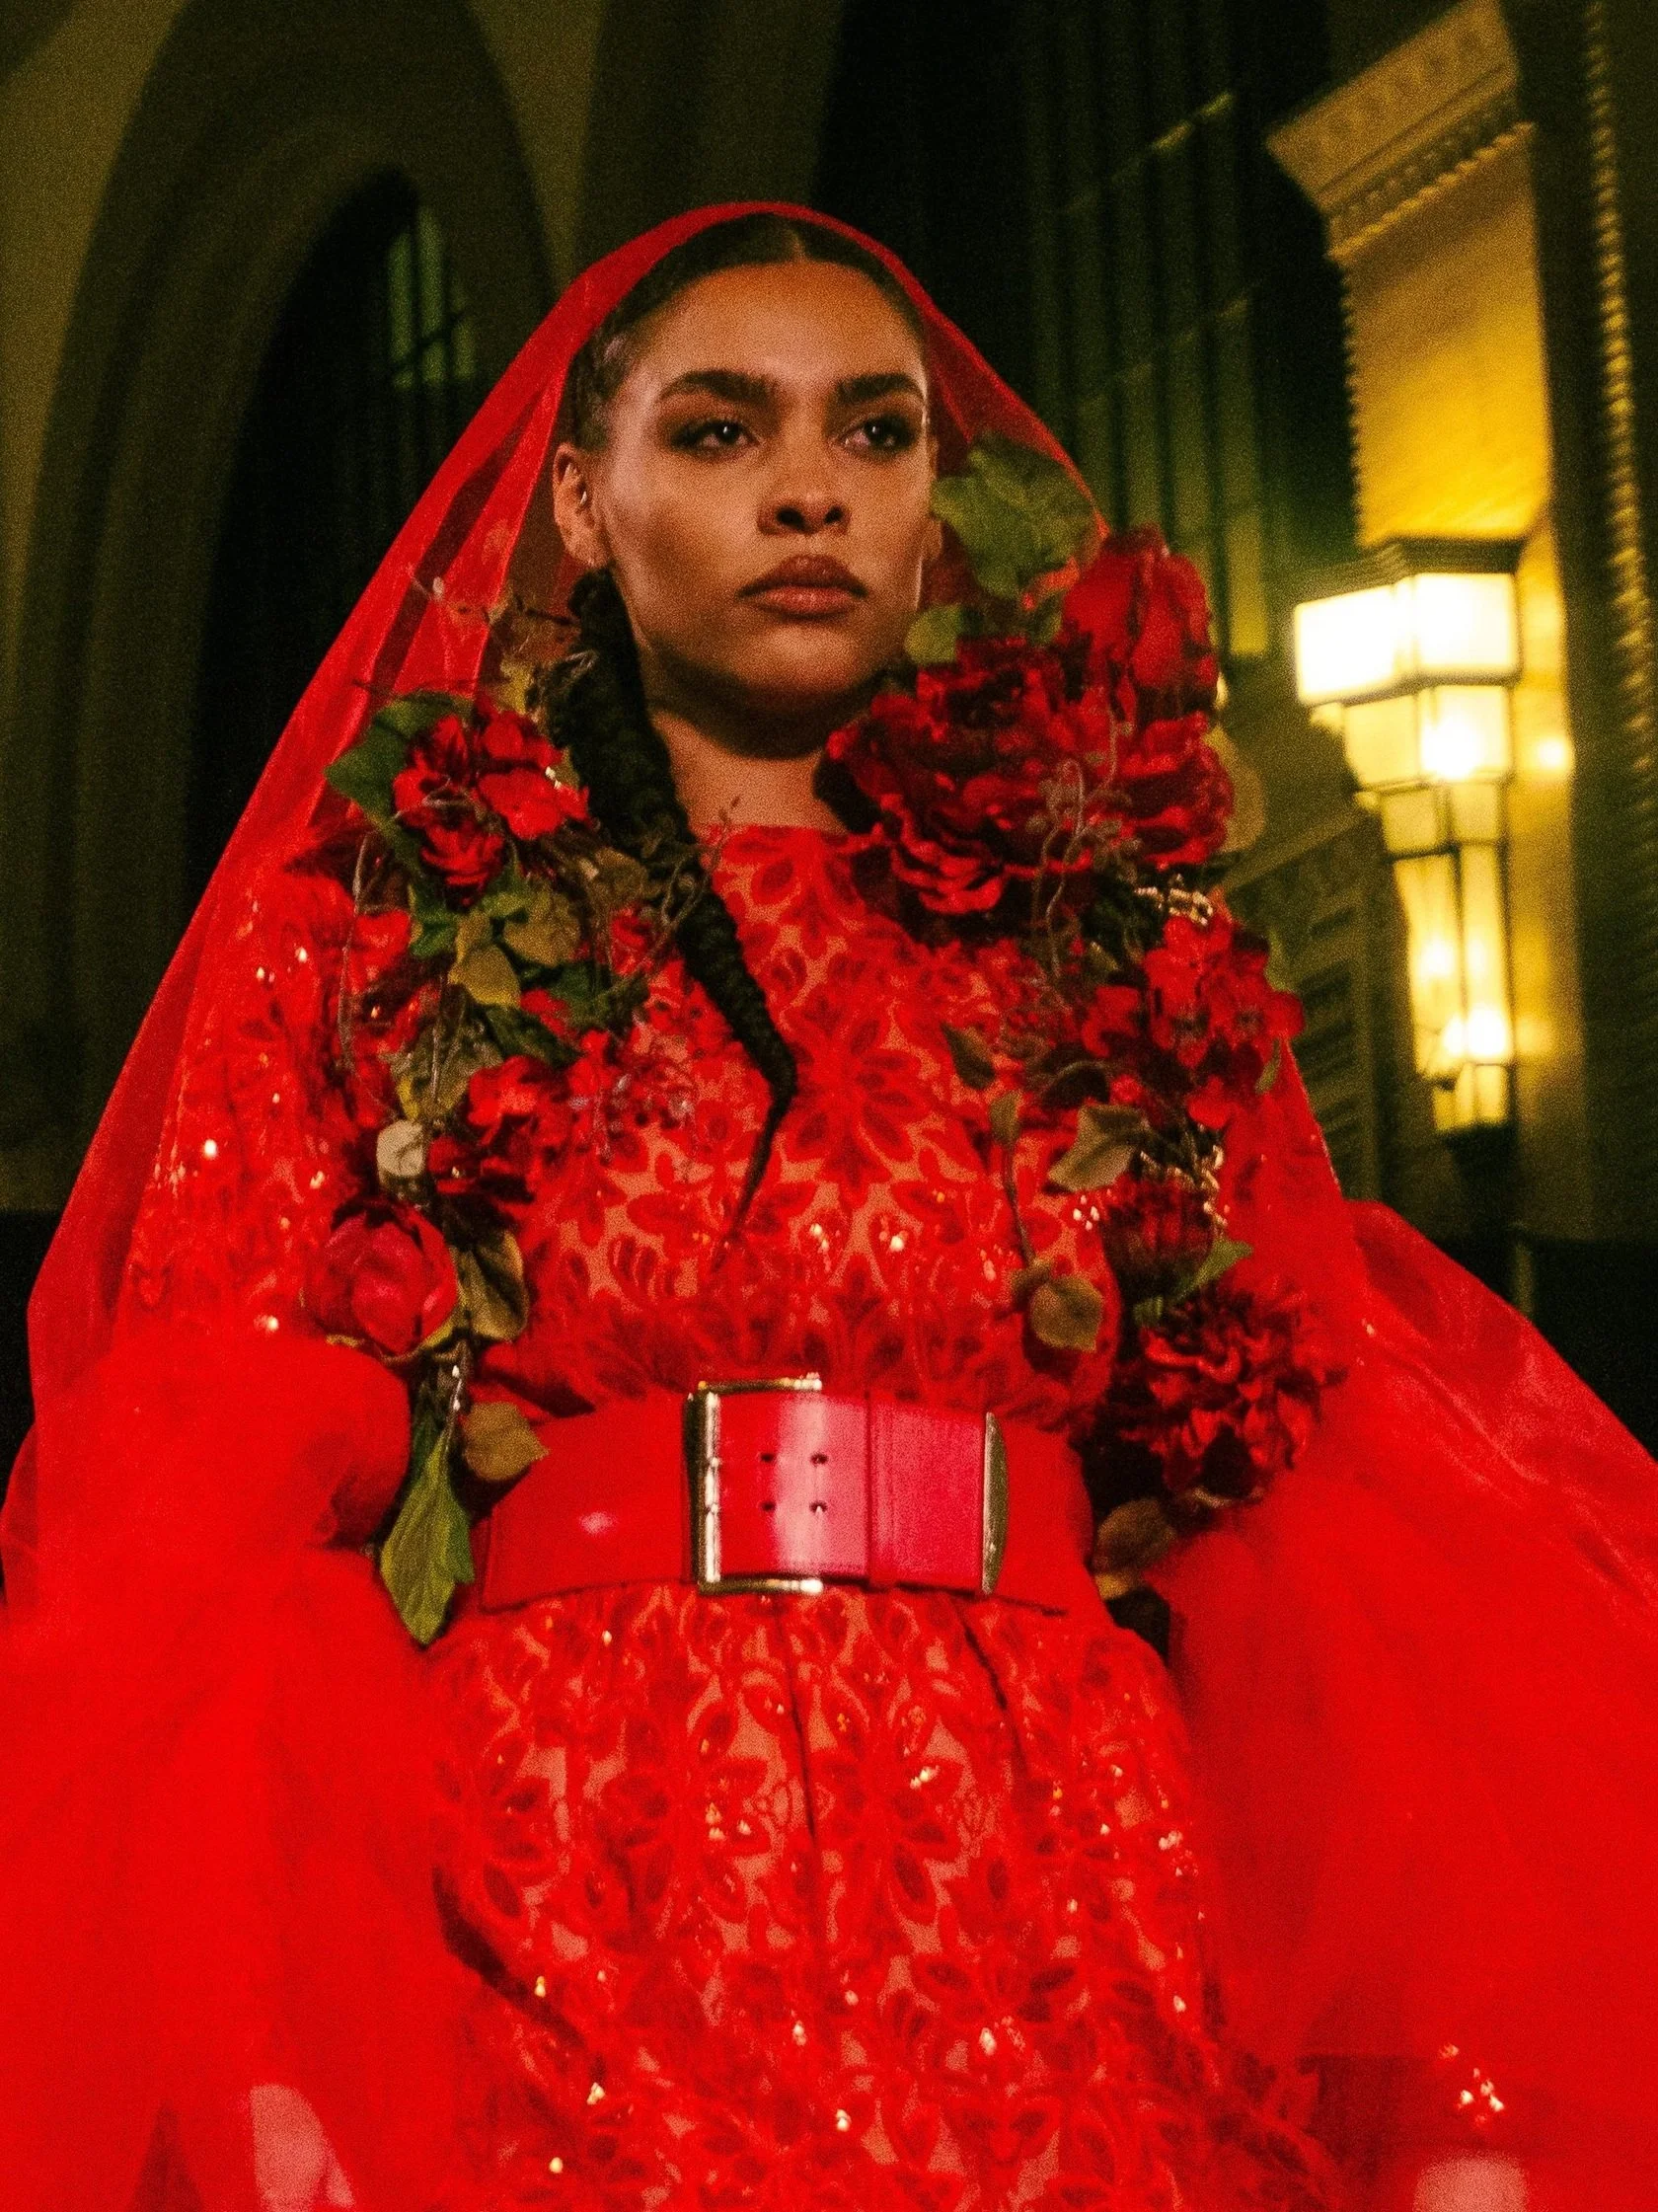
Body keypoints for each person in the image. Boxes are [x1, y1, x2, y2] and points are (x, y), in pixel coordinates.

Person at [2, 205, 1654, 2212]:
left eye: (875, 435)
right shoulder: (367, 939)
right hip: (564, 1865)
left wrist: (1455, 2089)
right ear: (583, 510)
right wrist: (267, 2054)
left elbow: (1302, 1490)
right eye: (717, 432)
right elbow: (209, 1503)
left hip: (1065, 1869)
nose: (810, 487)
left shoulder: (1099, 943)